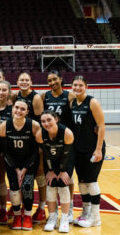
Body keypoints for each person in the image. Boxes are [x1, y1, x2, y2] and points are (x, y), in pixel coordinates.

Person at [0, 99, 40, 231]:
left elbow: (36, 151)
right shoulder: (4, 126)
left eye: (23, 109)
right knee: (15, 189)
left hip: (30, 162)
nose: (19, 111)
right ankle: (17, 216)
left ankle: (27, 216)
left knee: (27, 187)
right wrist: (16, 168)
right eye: (16, 107)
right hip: (12, 162)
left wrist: (25, 168)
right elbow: (5, 151)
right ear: (12, 108)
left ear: (27, 112)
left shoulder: (34, 125)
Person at [70, 75, 106, 228]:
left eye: (80, 85)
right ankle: (86, 214)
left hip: (92, 149)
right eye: (75, 85)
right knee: (82, 183)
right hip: (79, 149)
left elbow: (102, 126)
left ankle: (96, 218)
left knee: (91, 182)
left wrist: (98, 150)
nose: (77, 88)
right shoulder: (73, 103)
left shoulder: (92, 102)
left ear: (86, 86)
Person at [40, 70, 75, 222]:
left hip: (66, 138)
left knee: (68, 176)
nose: (52, 82)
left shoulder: (70, 96)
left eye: (55, 79)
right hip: (50, 139)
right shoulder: (44, 96)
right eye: (49, 80)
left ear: (61, 79)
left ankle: (70, 207)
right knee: (51, 175)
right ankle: (52, 214)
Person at [12, 72, 46, 223]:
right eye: (21, 80)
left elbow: (42, 123)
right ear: (17, 82)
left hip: (33, 140)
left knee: (39, 173)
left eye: (27, 80)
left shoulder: (36, 98)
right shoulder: (15, 96)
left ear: (31, 82)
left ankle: (41, 208)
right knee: (20, 177)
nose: (24, 82)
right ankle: (19, 207)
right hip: (19, 140)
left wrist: (40, 145)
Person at [37, 111, 74, 233]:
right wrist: (51, 171)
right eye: (43, 121)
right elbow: (46, 154)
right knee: (51, 185)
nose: (46, 123)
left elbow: (66, 155)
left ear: (56, 119)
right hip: (51, 161)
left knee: (63, 185)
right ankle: (52, 217)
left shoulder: (67, 133)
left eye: (49, 120)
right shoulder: (40, 134)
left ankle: (64, 218)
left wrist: (63, 171)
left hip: (66, 160)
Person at [0, 81, 13, 224]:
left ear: (9, 92)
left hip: (4, 151)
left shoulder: (12, 109)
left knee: (1, 181)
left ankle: (3, 209)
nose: (1, 92)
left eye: (4, 90)